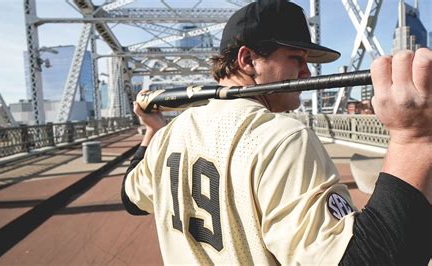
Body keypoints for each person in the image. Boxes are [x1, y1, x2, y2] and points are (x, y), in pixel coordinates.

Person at [121, 0, 431, 264]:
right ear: (248, 60)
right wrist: (413, 137)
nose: (308, 73)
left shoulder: (169, 137)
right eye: (296, 59)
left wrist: (153, 132)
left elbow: (130, 199)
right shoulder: (281, 137)